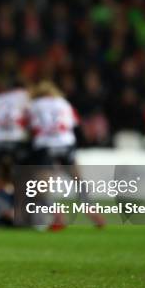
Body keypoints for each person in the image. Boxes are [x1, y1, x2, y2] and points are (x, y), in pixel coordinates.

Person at [28, 81, 105, 229]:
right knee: (78, 180)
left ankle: (56, 213)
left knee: (41, 186)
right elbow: (75, 124)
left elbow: (31, 126)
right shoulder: (64, 103)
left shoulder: (35, 104)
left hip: (45, 145)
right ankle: (91, 208)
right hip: (66, 143)